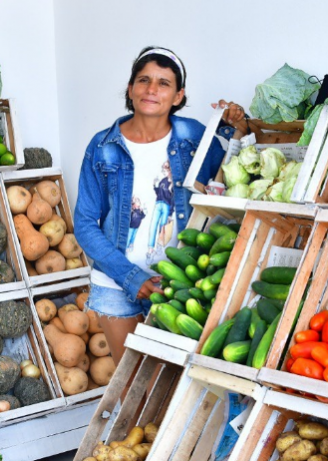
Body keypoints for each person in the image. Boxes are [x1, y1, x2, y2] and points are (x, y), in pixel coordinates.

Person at [74, 46, 247, 363]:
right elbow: (84, 224)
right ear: (130, 89)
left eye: (163, 83)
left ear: (179, 95)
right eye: (143, 80)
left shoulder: (194, 136)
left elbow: (233, 173)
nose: (151, 89)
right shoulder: (102, 146)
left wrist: (236, 123)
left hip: (181, 281)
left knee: (170, 386)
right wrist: (130, 277)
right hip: (116, 282)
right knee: (129, 385)